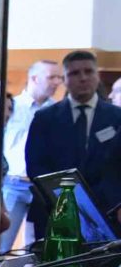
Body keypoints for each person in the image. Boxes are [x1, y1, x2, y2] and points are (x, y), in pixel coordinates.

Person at [25, 48, 121, 230]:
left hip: (107, 212)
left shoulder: (117, 118)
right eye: (75, 73)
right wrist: (64, 199)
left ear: (97, 76)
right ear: (65, 79)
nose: (83, 78)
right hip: (55, 210)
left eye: (89, 71)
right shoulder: (45, 118)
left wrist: (103, 202)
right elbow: (35, 165)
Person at [0, 58, 62, 251]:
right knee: (2, 244)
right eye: (51, 77)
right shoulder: (12, 106)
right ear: (34, 78)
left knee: (38, 247)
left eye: (59, 78)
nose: (57, 82)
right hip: (14, 184)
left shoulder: (57, 111)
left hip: (43, 186)